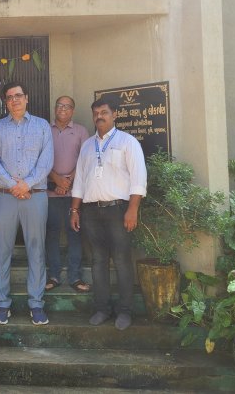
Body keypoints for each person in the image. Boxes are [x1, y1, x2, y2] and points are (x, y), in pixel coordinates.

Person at [70, 97, 147, 331]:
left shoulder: (127, 142)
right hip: (91, 211)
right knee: (98, 261)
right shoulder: (87, 146)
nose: (99, 116)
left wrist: (133, 209)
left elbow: (138, 178)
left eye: (104, 112)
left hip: (119, 210)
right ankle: (102, 308)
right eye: (95, 113)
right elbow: (80, 181)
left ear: (114, 115)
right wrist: (75, 209)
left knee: (123, 261)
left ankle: (125, 311)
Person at [0, 82, 53, 326]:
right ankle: (2, 304)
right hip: (4, 196)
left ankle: (36, 304)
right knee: (2, 251)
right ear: (5, 101)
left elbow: (46, 161)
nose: (14, 100)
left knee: (36, 249)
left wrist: (26, 184)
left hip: (35, 196)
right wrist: (15, 186)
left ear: (26, 98)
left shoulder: (42, 126)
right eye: (10, 97)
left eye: (18, 95)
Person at [45, 96, 91, 293]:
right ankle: (53, 275)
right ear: (55, 109)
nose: (62, 109)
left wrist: (68, 181)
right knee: (51, 235)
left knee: (75, 234)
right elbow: (39, 159)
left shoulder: (81, 131)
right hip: (50, 192)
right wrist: (56, 179)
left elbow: (85, 161)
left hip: (75, 194)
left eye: (67, 106)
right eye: (59, 105)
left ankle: (75, 277)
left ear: (72, 110)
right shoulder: (45, 129)